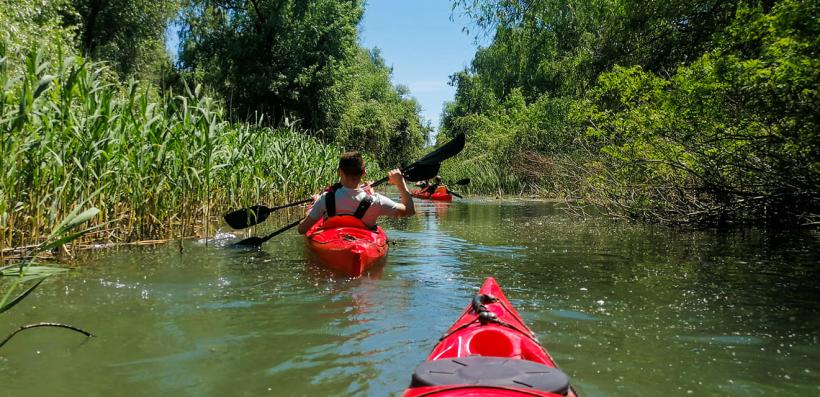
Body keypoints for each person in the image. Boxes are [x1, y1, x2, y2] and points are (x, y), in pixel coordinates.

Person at [297, 151, 415, 234]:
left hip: (332, 242)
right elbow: (409, 210)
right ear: (364, 172)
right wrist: (400, 183)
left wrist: (313, 207)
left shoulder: (325, 198)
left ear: (339, 172)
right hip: (363, 244)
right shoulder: (377, 201)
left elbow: (302, 229)